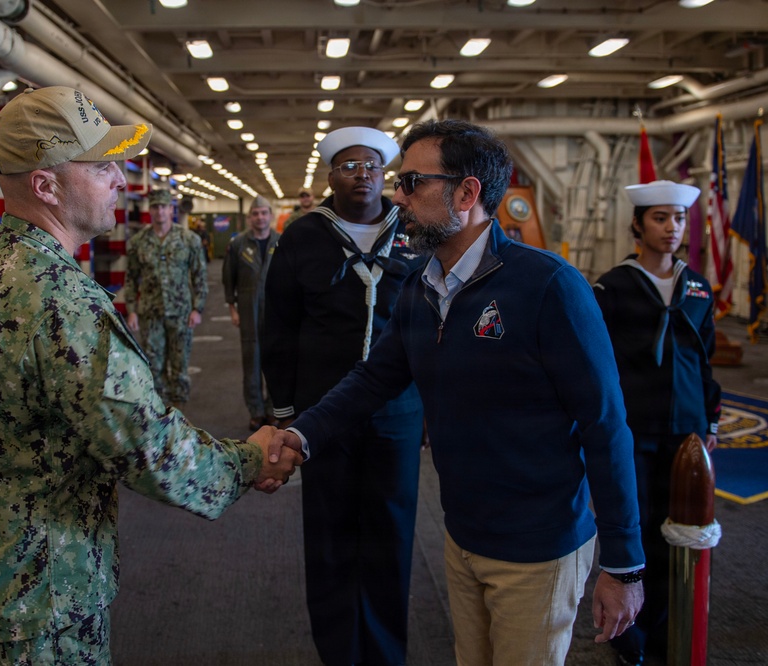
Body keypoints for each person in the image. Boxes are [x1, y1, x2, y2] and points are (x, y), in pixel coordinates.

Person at [0, 86, 300, 665]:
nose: (121, 178)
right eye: (101, 166)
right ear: (46, 185)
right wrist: (250, 459)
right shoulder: (59, 300)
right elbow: (149, 448)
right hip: (37, 598)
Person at [268, 118, 646, 666]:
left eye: (412, 183)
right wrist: (300, 436)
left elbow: (605, 422)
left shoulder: (548, 287)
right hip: (463, 537)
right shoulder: (423, 287)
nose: (398, 195)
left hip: (536, 547)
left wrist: (625, 563)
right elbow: (374, 378)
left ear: (467, 193)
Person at [262, 127, 427, 666]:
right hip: (323, 411)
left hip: (396, 409)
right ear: (329, 177)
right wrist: (283, 411)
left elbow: (436, 319)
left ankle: (383, 654)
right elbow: (279, 327)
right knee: (330, 535)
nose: (363, 176)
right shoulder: (304, 236)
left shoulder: (414, 230)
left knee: (391, 532)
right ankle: (338, 651)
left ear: (388, 175)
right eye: (350, 166)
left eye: (373, 167)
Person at [593, 180, 721, 666]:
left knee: (681, 534)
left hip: (686, 433)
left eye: (680, 219)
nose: (672, 228)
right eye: (661, 218)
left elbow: (704, 360)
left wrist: (709, 417)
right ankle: (631, 637)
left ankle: (670, 628)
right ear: (638, 224)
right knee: (636, 531)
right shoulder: (613, 286)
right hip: (633, 428)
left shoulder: (697, 286)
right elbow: (598, 363)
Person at [125, 188, 208, 407]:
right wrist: (131, 309)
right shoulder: (138, 242)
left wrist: (197, 308)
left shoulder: (189, 239)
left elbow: (199, 275)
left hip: (181, 312)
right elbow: (131, 278)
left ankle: (179, 415)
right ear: (150, 210)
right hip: (150, 314)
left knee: (180, 367)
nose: (159, 211)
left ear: (171, 209)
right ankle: (158, 415)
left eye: (164, 207)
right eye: (155, 207)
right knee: (152, 366)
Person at [222, 195, 281, 431]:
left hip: (276, 311)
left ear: (270, 216)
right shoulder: (238, 245)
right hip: (248, 310)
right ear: (249, 217)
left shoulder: (281, 242)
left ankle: (273, 409)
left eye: (264, 213)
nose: (260, 217)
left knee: (276, 362)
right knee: (252, 362)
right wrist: (232, 308)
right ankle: (256, 411)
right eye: (255, 214)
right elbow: (229, 278)